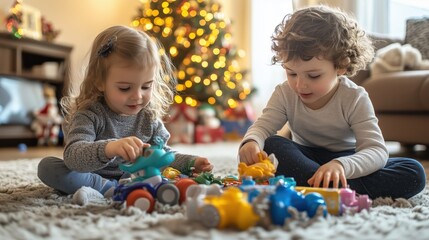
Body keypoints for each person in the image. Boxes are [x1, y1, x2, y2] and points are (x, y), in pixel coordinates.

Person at [238, 5, 426, 199]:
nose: (300, 85)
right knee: (272, 144)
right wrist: (251, 142)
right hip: (306, 157)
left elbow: (376, 150)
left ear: (341, 66)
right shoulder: (284, 93)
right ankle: (335, 188)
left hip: (349, 160)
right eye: (291, 73)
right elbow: (263, 126)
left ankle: (323, 185)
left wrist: (341, 166)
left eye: (313, 75)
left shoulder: (355, 97)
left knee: (414, 171)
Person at [38, 25, 213, 205]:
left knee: (175, 176)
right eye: (125, 88)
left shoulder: (149, 117)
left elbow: (162, 155)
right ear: (99, 82)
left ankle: (129, 188)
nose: (137, 96)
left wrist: (191, 162)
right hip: (93, 177)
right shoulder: (89, 114)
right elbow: (73, 157)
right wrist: (109, 148)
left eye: (146, 86)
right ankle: (107, 189)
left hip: (137, 178)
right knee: (48, 167)